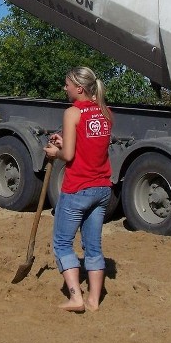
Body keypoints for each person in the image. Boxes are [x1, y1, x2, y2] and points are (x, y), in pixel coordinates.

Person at [44, 66, 113, 313]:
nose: (65, 88)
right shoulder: (106, 112)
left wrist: (55, 151)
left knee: (62, 242)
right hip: (102, 188)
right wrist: (65, 142)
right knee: (93, 246)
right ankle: (94, 300)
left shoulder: (72, 113)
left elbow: (70, 155)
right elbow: (91, 146)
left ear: (79, 88)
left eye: (68, 84)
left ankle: (76, 297)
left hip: (78, 188)